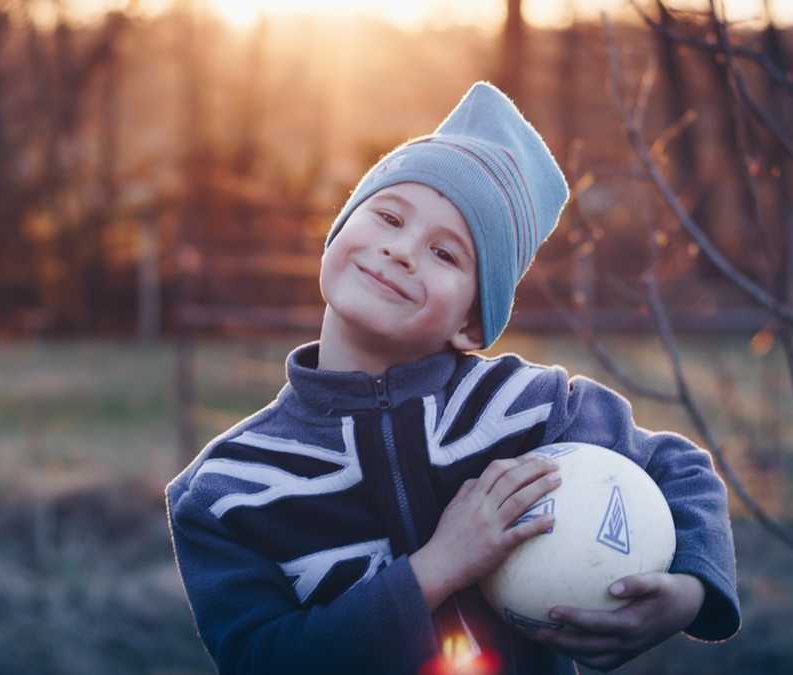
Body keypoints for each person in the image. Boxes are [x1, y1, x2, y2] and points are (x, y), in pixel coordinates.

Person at [164, 81, 740, 675]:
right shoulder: (226, 490)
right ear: (337, 234)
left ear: (471, 323)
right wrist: (434, 570)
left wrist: (691, 593)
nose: (403, 250)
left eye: (446, 254)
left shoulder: (528, 409)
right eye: (388, 217)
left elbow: (680, 468)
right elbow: (264, 659)